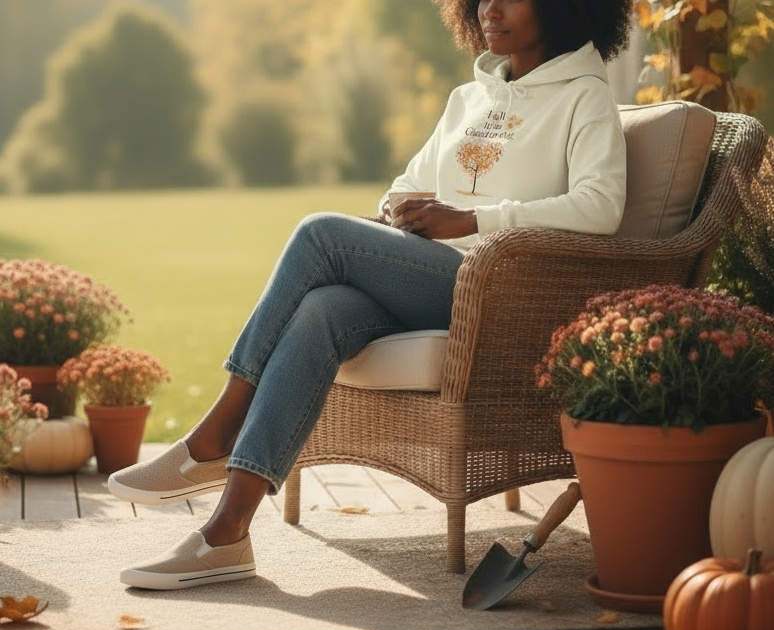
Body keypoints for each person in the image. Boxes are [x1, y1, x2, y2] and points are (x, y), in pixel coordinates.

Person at [110, 0, 635, 590]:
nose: (490, 8)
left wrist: (471, 219)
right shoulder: (469, 99)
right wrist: (400, 210)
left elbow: (601, 206)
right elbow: (406, 184)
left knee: (320, 234)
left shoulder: (584, 96)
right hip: (431, 278)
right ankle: (226, 533)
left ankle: (215, 433)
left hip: (500, 290)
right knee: (322, 311)